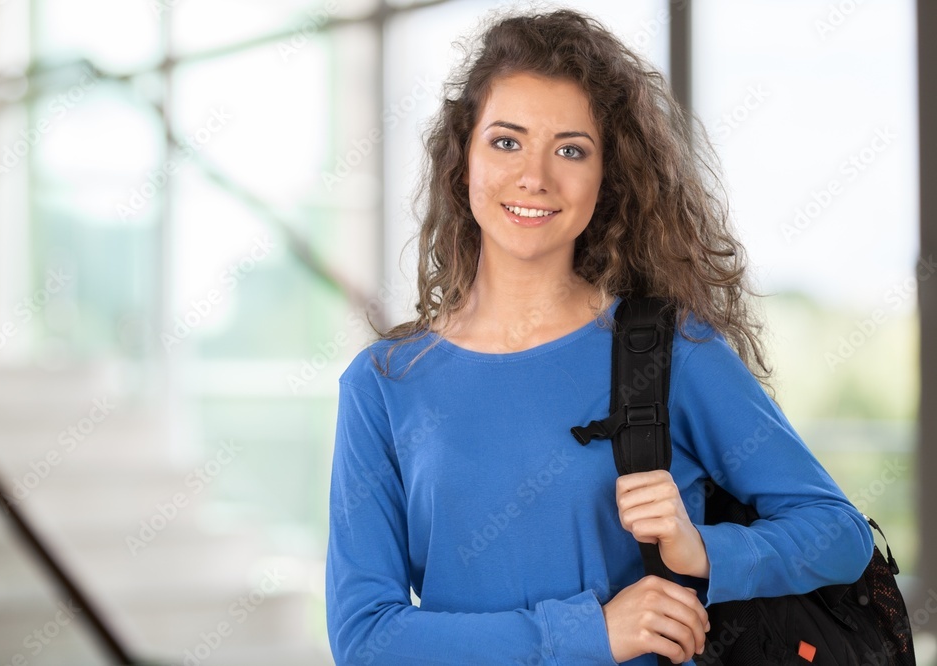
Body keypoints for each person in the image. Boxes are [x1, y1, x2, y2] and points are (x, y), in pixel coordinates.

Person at [325, 8, 875, 665]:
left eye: (570, 149)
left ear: (606, 176)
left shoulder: (670, 352)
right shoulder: (384, 384)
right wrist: (586, 633)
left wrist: (703, 549)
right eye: (506, 141)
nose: (535, 176)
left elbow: (839, 534)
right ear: (461, 158)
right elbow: (365, 638)